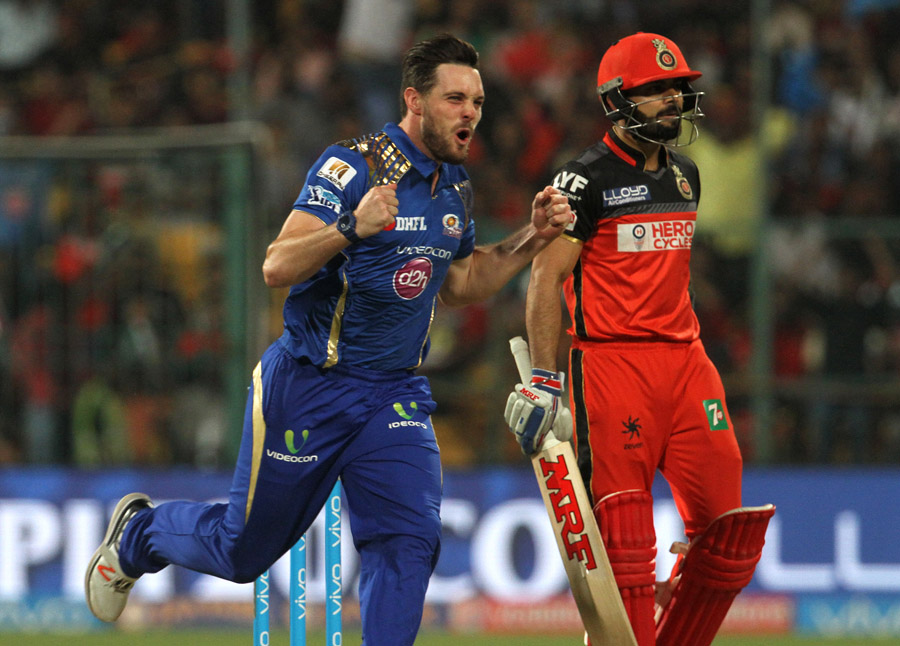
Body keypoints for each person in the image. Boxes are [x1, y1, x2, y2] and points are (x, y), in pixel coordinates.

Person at [84, 34, 573, 645]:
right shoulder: (353, 165)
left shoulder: (454, 188)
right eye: (455, 99)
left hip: (392, 395)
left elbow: (462, 282)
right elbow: (276, 266)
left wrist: (531, 238)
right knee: (242, 554)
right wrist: (350, 225)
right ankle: (139, 535)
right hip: (310, 388)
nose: (471, 112)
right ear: (413, 102)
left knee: (408, 541)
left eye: (476, 100)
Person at [503, 32, 774, 646]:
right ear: (618, 100)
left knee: (728, 539)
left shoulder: (687, 176)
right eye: (656, 90)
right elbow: (545, 279)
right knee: (624, 549)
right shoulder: (583, 180)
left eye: (677, 87)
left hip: (687, 362)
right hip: (611, 365)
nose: (673, 100)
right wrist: (546, 382)